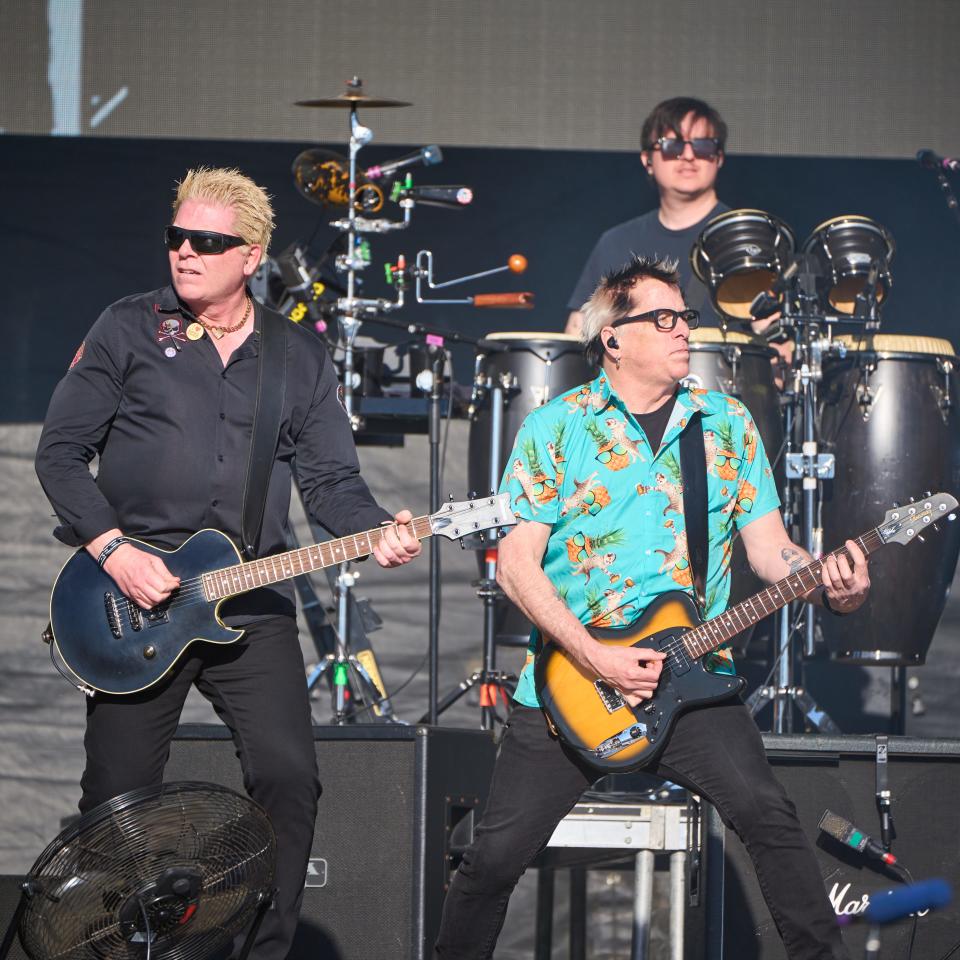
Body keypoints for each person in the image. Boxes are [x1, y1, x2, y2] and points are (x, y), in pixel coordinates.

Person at [35, 167, 421, 960]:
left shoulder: (297, 358)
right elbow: (60, 457)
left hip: (246, 596)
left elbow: (332, 484)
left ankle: (259, 949)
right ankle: (116, 947)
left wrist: (378, 529)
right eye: (176, 237)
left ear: (251, 257)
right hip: (129, 597)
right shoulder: (127, 327)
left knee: (289, 777)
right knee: (117, 801)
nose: (184, 253)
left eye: (206, 242)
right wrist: (113, 552)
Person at [435, 256, 869, 960]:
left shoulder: (725, 423)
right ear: (613, 337)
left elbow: (770, 551)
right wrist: (594, 656)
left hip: (692, 681)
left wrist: (823, 580)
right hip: (568, 686)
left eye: (685, 318)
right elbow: (515, 567)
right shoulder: (557, 427)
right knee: (491, 863)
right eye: (662, 318)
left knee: (767, 814)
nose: (683, 330)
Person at [565, 96, 730, 337]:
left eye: (702, 145)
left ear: (719, 157)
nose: (688, 155)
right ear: (647, 160)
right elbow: (579, 332)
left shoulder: (747, 237)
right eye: (671, 145)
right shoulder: (615, 243)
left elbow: (779, 340)